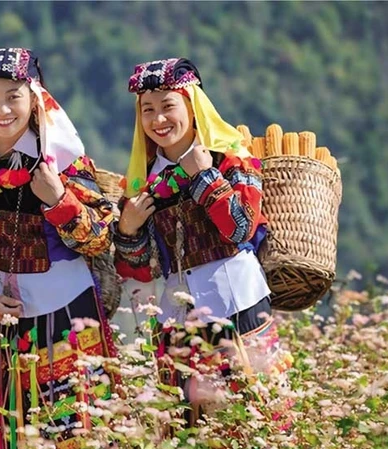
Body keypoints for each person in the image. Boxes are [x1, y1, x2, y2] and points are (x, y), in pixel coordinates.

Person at [0, 48, 117, 449]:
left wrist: (59, 199)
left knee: (78, 445)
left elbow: (99, 238)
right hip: (1, 325)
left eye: (13, 97)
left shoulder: (61, 160)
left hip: (68, 317)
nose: (2, 109)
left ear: (34, 99)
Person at [113, 57, 292, 425]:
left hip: (237, 303)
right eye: (148, 110)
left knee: (256, 416)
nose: (158, 120)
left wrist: (204, 176)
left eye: (168, 107)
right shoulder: (142, 183)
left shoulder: (230, 160)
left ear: (192, 107)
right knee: (189, 428)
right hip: (178, 315)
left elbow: (240, 229)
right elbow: (142, 269)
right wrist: (128, 228)